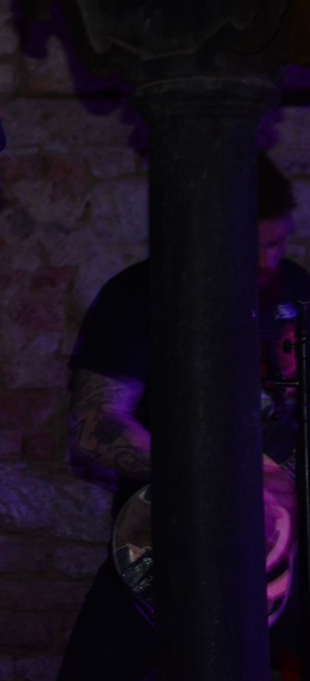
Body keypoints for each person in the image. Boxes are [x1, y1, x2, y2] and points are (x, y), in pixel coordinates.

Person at [56, 152, 308, 680]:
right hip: (167, 538)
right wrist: (224, 480)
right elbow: (95, 426)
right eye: (253, 247)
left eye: (278, 243)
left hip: (287, 545)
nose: (268, 261)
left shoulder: (297, 290)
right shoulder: (140, 294)